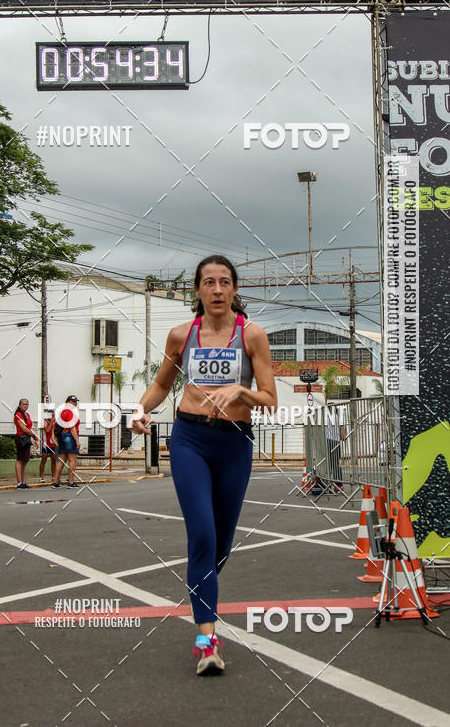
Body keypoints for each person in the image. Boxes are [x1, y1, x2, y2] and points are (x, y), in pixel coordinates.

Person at [132, 255, 276, 675]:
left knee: (220, 546)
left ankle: (201, 586)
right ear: (197, 289)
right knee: (202, 535)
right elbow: (161, 384)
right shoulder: (181, 335)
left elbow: (270, 398)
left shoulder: (253, 336)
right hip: (189, 440)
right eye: (209, 282)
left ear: (234, 289)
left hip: (233, 443)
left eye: (224, 282)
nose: (217, 289)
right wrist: (140, 409)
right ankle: (207, 641)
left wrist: (241, 392)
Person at [52, 395, 81, 488]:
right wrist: (77, 441)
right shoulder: (70, 412)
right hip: (69, 436)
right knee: (72, 460)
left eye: (76, 402)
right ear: (68, 402)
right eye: (73, 401)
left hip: (62, 436)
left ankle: (55, 482)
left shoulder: (62, 411)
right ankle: (71, 481)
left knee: (61, 460)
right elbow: (72, 427)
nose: (75, 403)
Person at [13, 398, 39, 488]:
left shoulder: (27, 415)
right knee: (20, 459)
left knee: (25, 460)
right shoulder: (18, 415)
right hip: (21, 437)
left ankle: (23, 481)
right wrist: (34, 436)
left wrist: (34, 437)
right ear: (20, 405)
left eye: (27, 404)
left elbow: (29, 427)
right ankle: (19, 482)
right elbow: (24, 428)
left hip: (27, 437)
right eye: (24, 404)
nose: (26, 406)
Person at [326, 403, 346, 490]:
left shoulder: (324, 417)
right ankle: (338, 485)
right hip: (336, 442)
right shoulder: (339, 418)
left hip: (326, 441)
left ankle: (326, 483)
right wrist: (342, 437)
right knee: (336, 464)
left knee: (326, 464)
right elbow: (343, 435)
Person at [39, 395, 57, 483]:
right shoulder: (44, 421)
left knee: (54, 460)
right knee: (44, 460)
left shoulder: (55, 422)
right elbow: (47, 430)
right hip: (45, 444)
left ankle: (54, 477)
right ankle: (41, 477)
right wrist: (52, 421)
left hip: (53, 443)